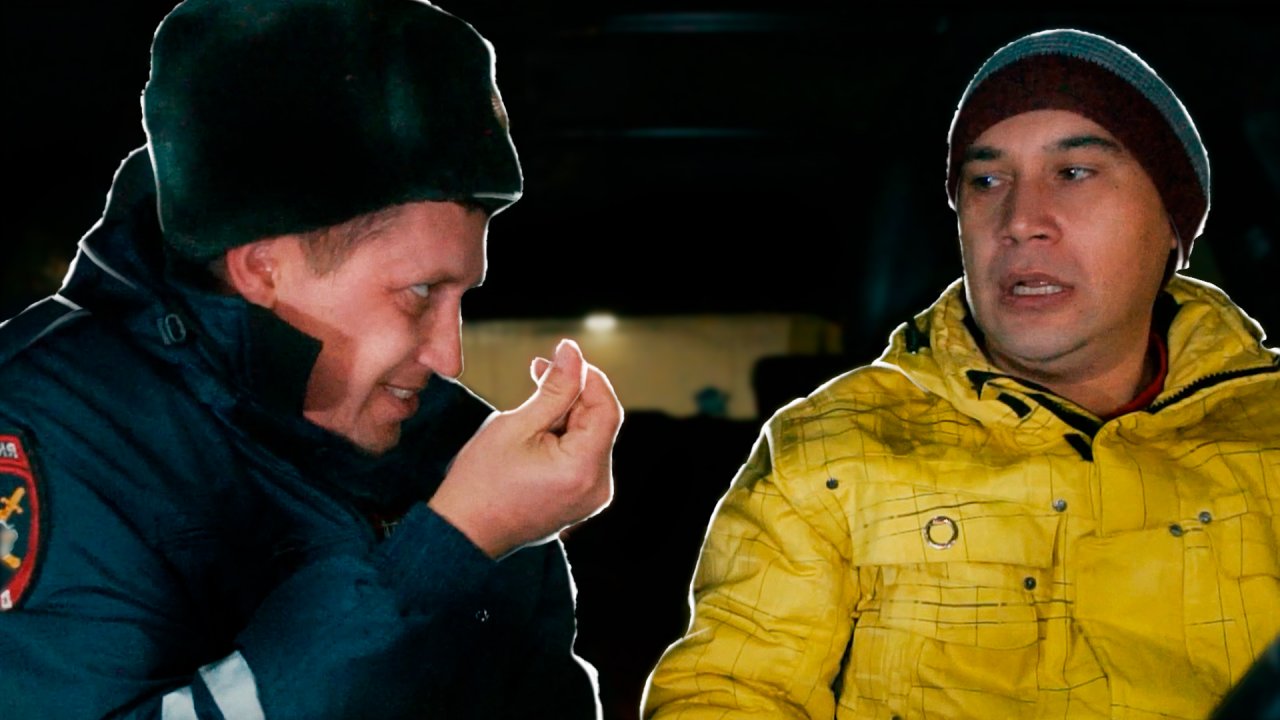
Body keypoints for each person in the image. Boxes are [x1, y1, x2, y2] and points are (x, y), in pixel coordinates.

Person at [0, 1, 623, 718]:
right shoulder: (46, 430)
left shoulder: (456, 452)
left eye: (462, 294)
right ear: (262, 267)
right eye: (419, 293)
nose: (449, 356)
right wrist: (451, 548)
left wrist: (479, 529)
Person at [643, 28, 1279, 720]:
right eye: (986, 182)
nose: (1020, 221)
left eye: (1073, 173)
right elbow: (730, 694)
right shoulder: (829, 448)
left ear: (1172, 223)